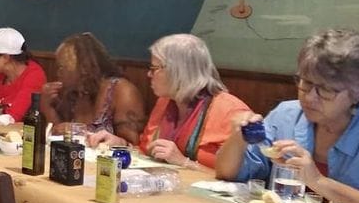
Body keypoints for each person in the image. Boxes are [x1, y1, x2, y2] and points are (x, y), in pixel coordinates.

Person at [216, 29, 359, 203]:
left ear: (357, 93)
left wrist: (317, 180)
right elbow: (227, 174)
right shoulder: (286, 114)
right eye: (306, 83)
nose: (310, 97)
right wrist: (238, 138)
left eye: (326, 90)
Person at [97, 34, 251, 169]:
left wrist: (183, 162)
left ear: (179, 71)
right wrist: (120, 145)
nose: (149, 74)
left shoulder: (232, 112)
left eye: (154, 68)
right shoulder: (165, 102)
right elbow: (145, 153)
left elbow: (243, 182)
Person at [41, 33, 145, 143]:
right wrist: (47, 107)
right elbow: (58, 137)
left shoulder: (121, 91)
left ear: (83, 68)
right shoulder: (73, 93)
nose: (58, 73)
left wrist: (81, 133)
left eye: (62, 67)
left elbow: (133, 146)